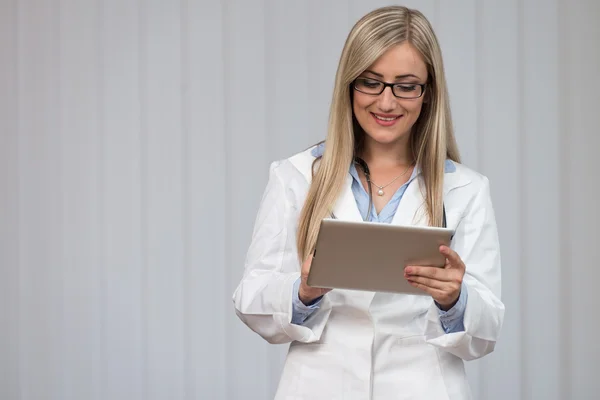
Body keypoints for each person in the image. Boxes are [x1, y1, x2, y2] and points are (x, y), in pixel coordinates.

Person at [233, 5, 504, 400]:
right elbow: (250, 300)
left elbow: (488, 328)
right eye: (371, 82)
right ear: (349, 84)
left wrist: (455, 300)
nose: (387, 102)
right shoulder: (294, 176)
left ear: (428, 94)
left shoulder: (466, 189)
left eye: (406, 85)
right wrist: (303, 290)